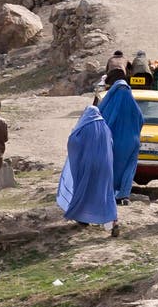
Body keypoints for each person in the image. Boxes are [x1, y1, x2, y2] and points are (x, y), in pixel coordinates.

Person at [56, 105, 119, 235]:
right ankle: (113, 222)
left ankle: (83, 217)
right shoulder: (105, 127)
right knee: (106, 193)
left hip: (88, 165)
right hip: (105, 166)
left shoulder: (83, 128)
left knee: (85, 190)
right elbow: (111, 145)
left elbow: (73, 143)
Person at [98, 79, 144, 203]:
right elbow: (141, 121)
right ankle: (124, 195)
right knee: (129, 168)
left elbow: (102, 123)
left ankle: (108, 192)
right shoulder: (134, 107)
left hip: (113, 141)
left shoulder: (109, 106)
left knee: (110, 166)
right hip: (132, 143)